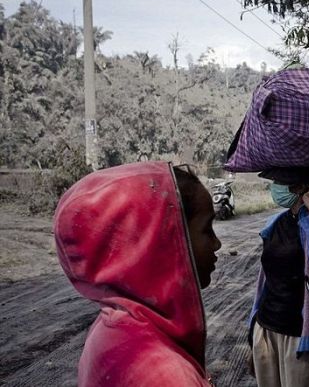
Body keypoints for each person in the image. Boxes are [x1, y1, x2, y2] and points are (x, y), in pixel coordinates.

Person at [54, 161, 221, 386]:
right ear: (161, 243)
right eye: (206, 229)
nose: (217, 244)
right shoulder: (166, 375)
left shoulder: (113, 327)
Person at [248, 158, 309, 387]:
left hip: (300, 338)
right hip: (265, 330)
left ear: (300, 187)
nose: (275, 186)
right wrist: (251, 335)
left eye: (279, 181)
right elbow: (265, 283)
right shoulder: (275, 224)